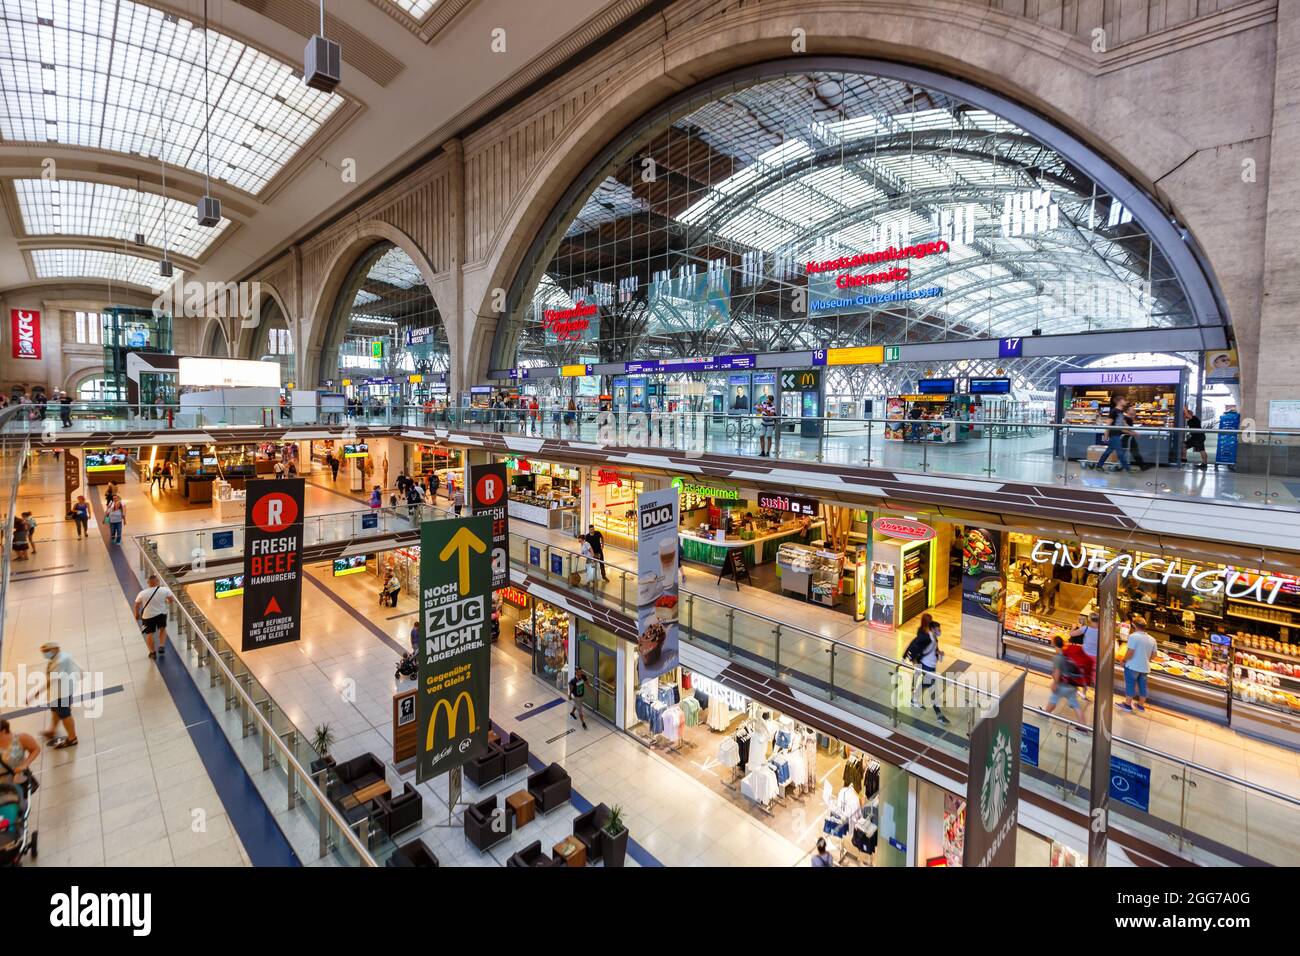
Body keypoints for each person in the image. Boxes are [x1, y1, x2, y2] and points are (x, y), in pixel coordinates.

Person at [29, 641, 78, 747]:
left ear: (55, 649)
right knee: (55, 710)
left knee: (65, 715)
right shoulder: (62, 656)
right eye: (43, 651)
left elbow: (51, 680)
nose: (45, 653)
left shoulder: (59, 662)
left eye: (47, 651)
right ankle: (52, 731)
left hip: (62, 693)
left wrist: (36, 693)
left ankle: (72, 738)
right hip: (59, 691)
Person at [902, 615, 948, 724]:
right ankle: (939, 715)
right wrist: (905, 657)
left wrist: (939, 653)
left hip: (930, 665)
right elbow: (913, 645)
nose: (940, 631)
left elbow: (933, 649)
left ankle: (914, 699)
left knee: (926, 685)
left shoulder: (933, 637)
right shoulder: (926, 637)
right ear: (932, 629)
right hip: (926, 665)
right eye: (938, 629)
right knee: (932, 688)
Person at [134, 573, 176, 660]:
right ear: (157, 581)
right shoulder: (165, 590)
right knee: (162, 629)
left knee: (149, 634)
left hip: (147, 617)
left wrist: (136, 614)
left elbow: (137, 604)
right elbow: (171, 600)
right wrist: (166, 602)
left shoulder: (142, 593)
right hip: (161, 614)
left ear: (148, 582)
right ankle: (161, 645)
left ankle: (152, 653)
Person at [1121, 615, 1158, 712]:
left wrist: (1124, 660)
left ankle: (1128, 705)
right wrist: (1145, 659)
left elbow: (1130, 652)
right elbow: (1154, 655)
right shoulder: (1152, 639)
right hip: (1145, 667)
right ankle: (1141, 705)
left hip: (1132, 666)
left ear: (1134, 625)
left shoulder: (1133, 636)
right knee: (1143, 686)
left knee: (1130, 685)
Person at [1045, 636, 1087, 721]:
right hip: (1072, 685)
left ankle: (1045, 714)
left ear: (1054, 643)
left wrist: (1054, 684)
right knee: (1075, 705)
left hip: (1062, 685)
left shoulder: (1057, 657)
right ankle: (1083, 727)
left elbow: (1057, 672)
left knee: (1053, 699)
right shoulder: (1067, 654)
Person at [1094, 396, 1134, 472]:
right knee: (1120, 452)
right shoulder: (1114, 411)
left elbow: (1122, 424)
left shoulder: (1121, 412)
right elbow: (1108, 423)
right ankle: (1128, 469)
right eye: (1124, 400)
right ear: (1119, 401)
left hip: (1117, 434)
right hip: (1113, 434)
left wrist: (1131, 432)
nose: (1125, 402)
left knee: (1108, 451)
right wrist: (1106, 435)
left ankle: (1099, 466)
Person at [0, 719, 41, 786]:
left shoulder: (20, 738)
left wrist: (25, 764)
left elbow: (36, 749)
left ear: (3, 731)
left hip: (17, 782)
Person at [1069, 612, 1100, 700]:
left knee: (1084, 674)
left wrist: (1073, 627)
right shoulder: (1102, 630)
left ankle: (1084, 693)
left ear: (1090, 620)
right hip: (1096, 656)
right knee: (1094, 675)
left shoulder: (1085, 628)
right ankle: (1097, 694)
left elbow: (1072, 634)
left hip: (1085, 655)